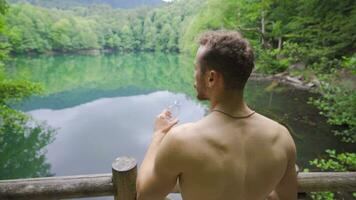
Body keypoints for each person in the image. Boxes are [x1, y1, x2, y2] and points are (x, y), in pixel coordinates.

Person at [136, 30, 297, 200]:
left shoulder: (182, 141)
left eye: (195, 69)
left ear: (211, 78)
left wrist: (158, 135)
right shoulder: (281, 138)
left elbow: (145, 195)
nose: (194, 76)